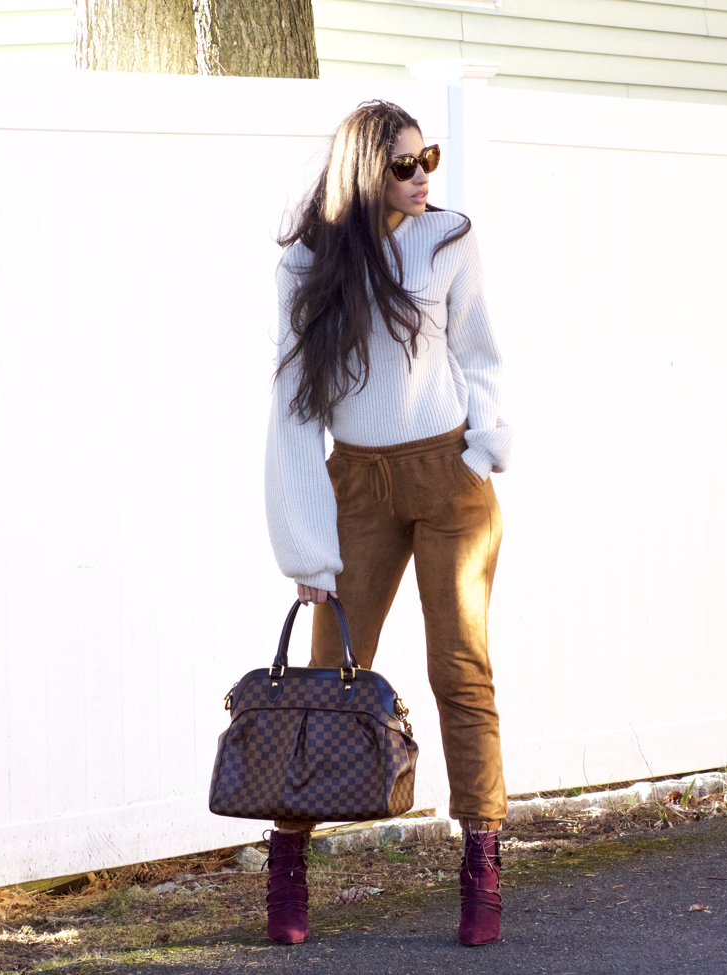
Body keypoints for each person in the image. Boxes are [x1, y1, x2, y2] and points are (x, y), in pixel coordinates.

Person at [264, 99, 512, 947]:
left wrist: (483, 451)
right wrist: (306, 544)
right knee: (326, 683)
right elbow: (293, 409)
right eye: (403, 165)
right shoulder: (308, 263)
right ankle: (287, 858)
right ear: (367, 172)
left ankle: (480, 861)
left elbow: (479, 353)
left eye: (427, 158)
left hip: (448, 478)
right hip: (357, 487)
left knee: (460, 671)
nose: (421, 176)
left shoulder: (448, 238)